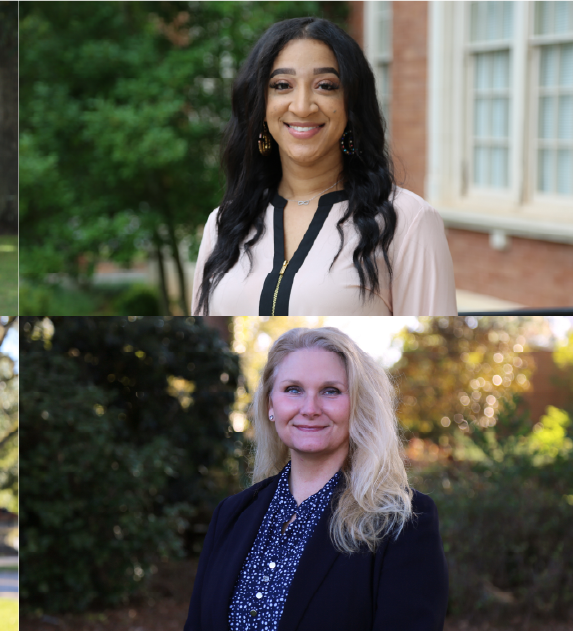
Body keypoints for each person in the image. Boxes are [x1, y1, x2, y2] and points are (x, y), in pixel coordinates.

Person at [184, 327, 447, 631]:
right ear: (271, 404)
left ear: (357, 405)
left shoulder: (402, 521)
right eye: (293, 389)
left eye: (330, 391)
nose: (310, 409)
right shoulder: (230, 515)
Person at [191, 17, 456, 315]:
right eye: (282, 85)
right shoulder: (224, 224)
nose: (302, 106)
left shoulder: (408, 222)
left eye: (326, 86)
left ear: (351, 103)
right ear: (260, 104)